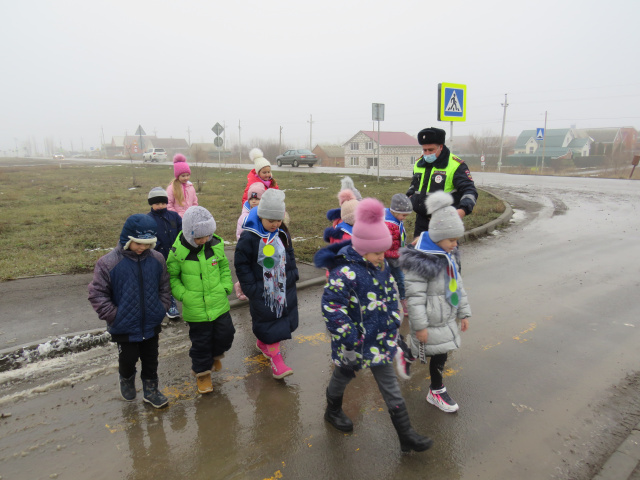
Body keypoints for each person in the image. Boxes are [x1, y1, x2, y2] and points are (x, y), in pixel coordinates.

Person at [313, 198, 433, 453]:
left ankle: (406, 434)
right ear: (362, 247)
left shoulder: (380, 268)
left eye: (383, 252)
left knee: (390, 385)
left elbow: (390, 299)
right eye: (378, 252)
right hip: (352, 342)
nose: (383, 257)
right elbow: (332, 308)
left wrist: (394, 328)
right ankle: (332, 410)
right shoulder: (343, 273)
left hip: (379, 340)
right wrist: (349, 337)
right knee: (343, 375)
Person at [396, 191, 472, 413]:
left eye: (457, 239)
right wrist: (419, 327)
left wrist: (463, 313)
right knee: (434, 351)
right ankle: (436, 390)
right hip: (430, 319)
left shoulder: (449, 256)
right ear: (438, 237)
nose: (455, 244)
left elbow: (458, 286)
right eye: (452, 240)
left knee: (440, 352)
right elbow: (415, 299)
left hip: (445, 316)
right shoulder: (420, 263)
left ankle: (434, 388)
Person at [88, 214, 171, 408]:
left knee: (151, 359)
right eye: (138, 243)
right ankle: (126, 378)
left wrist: (161, 308)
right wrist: (114, 316)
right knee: (128, 358)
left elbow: (164, 287)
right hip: (124, 326)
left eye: (148, 244)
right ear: (127, 238)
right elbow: (97, 294)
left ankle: (151, 390)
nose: (143, 248)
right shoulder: (108, 263)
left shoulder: (157, 259)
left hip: (151, 322)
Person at [166, 206, 235, 394]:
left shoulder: (214, 245)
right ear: (189, 235)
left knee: (226, 334)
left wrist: (226, 286)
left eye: (207, 236)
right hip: (196, 310)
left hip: (219, 304)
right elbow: (172, 278)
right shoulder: (178, 253)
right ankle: (203, 374)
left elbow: (223, 267)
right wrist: (184, 295)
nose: (204, 240)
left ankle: (216, 355)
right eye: (199, 238)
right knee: (201, 343)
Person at [234, 189, 299, 380]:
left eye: (278, 220)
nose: (275, 224)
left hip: (283, 286)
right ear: (261, 216)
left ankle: (264, 343)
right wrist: (251, 288)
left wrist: (294, 273)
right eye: (271, 221)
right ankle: (277, 361)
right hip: (262, 290)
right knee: (270, 322)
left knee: (276, 321)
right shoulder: (250, 237)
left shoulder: (281, 233)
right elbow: (241, 264)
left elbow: (290, 253)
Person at [406, 127, 477, 238]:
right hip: (422, 222)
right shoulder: (419, 163)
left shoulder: (456, 165)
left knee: (444, 254)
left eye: (431, 150)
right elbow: (414, 186)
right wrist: (410, 197)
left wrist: (462, 210)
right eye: (424, 150)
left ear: (441, 147)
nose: (427, 154)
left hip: (445, 223)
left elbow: (469, 191)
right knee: (420, 254)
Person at [147, 186, 182, 319]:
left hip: (176, 253)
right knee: (164, 280)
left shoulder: (173, 216)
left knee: (177, 276)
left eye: (163, 203)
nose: (160, 206)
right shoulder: (149, 219)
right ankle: (170, 303)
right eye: (157, 203)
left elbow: (181, 231)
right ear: (151, 204)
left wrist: (178, 246)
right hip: (159, 256)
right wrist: (158, 248)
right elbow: (149, 237)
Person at [384, 193, 413, 316]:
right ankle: (388, 306)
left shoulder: (396, 220)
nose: (405, 218)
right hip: (387, 258)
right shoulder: (388, 225)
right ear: (395, 211)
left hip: (395, 256)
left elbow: (397, 240)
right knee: (387, 282)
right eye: (403, 215)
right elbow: (385, 244)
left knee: (401, 280)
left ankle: (404, 301)